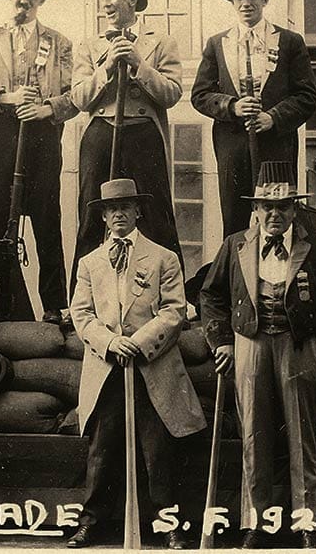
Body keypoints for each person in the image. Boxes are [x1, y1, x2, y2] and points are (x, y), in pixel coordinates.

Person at [199, 161, 316, 548]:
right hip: (250, 342)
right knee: (253, 435)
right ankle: (254, 524)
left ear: (295, 210)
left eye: (282, 208)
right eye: (266, 207)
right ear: (255, 210)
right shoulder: (235, 245)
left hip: (300, 344)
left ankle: (306, 522)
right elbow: (210, 296)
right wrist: (222, 341)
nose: (274, 215)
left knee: (303, 435)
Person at [66, 178, 205, 550]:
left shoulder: (163, 257)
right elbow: (81, 314)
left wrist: (139, 343)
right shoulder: (89, 263)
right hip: (107, 365)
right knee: (102, 447)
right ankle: (90, 523)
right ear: (103, 217)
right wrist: (111, 342)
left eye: (126, 207)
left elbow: (175, 311)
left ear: (138, 211)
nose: (119, 215)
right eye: (112, 209)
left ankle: (168, 524)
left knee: (157, 449)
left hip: (152, 366)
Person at [0, 0, 78, 322]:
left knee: (47, 218)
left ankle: (54, 306)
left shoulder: (59, 43)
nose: (23, 1)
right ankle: (4, 304)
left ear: (41, 0)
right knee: (3, 219)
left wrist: (46, 109)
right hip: (1, 133)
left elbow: (74, 96)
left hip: (43, 135)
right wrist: (9, 97)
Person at [70, 0, 184, 286]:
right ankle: (81, 299)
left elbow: (172, 93)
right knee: (92, 214)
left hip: (143, 135)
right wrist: (105, 69)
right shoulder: (90, 45)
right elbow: (79, 98)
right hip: (100, 135)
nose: (105, 4)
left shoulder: (160, 42)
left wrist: (139, 65)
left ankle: (171, 295)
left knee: (155, 214)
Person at [191, 0, 316, 236]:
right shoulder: (217, 43)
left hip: (277, 148)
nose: (246, 3)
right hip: (232, 149)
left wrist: (273, 117)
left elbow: (308, 96)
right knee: (234, 224)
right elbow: (200, 95)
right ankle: (236, 276)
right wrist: (231, 106)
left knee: (278, 219)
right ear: (232, 2)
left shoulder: (289, 41)